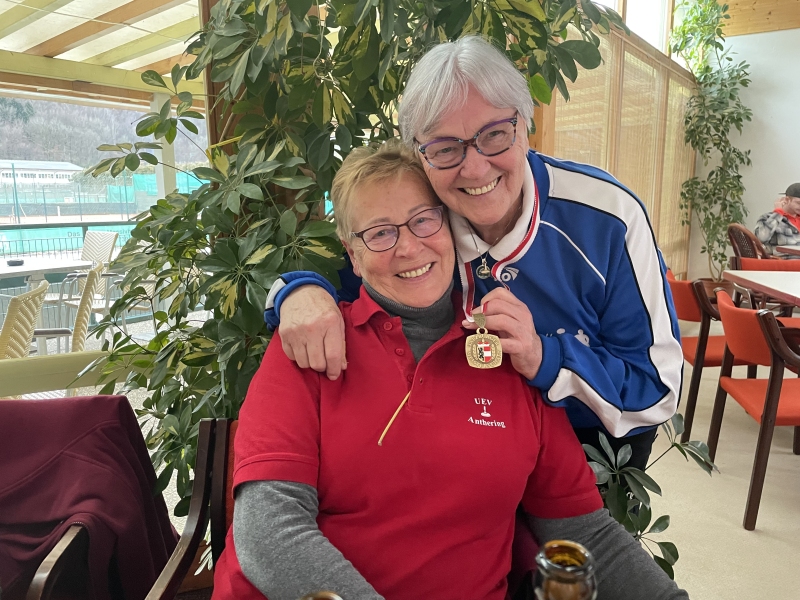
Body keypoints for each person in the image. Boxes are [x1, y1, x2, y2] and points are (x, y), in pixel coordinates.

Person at [212, 142, 688, 600]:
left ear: (450, 228)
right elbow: (269, 531)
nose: (408, 247)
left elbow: (585, 533)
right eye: (380, 233)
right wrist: (295, 289)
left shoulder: (510, 353)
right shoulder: (312, 346)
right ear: (352, 254)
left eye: (423, 220)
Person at [265, 35, 683, 471]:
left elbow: (657, 388)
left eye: (495, 134)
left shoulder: (609, 217)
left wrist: (543, 356)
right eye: (446, 148)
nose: (476, 168)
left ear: (525, 127)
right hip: (473, 449)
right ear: (420, 156)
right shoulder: (422, 219)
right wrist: (300, 292)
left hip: (594, 450)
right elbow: (353, 274)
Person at [754, 183, 800, 256]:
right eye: (798, 203)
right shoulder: (767, 218)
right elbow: (760, 238)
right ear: (786, 200)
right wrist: (778, 213)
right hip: (784, 259)